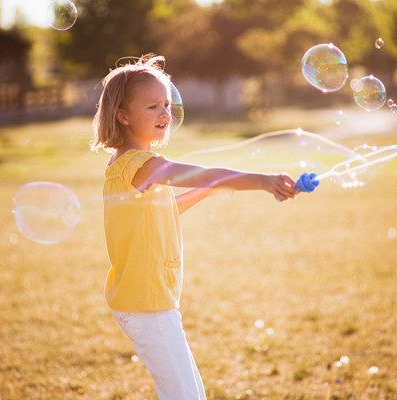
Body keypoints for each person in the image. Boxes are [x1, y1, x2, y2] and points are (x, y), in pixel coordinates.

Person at [91, 54, 298, 399]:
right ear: (123, 116)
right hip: (147, 305)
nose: (164, 113)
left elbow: (165, 208)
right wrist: (263, 180)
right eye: (152, 106)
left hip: (145, 300)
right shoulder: (140, 165)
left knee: (187, 393)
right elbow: (201, 172)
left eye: (167, 105)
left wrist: (206, 190)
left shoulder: (129, 167)